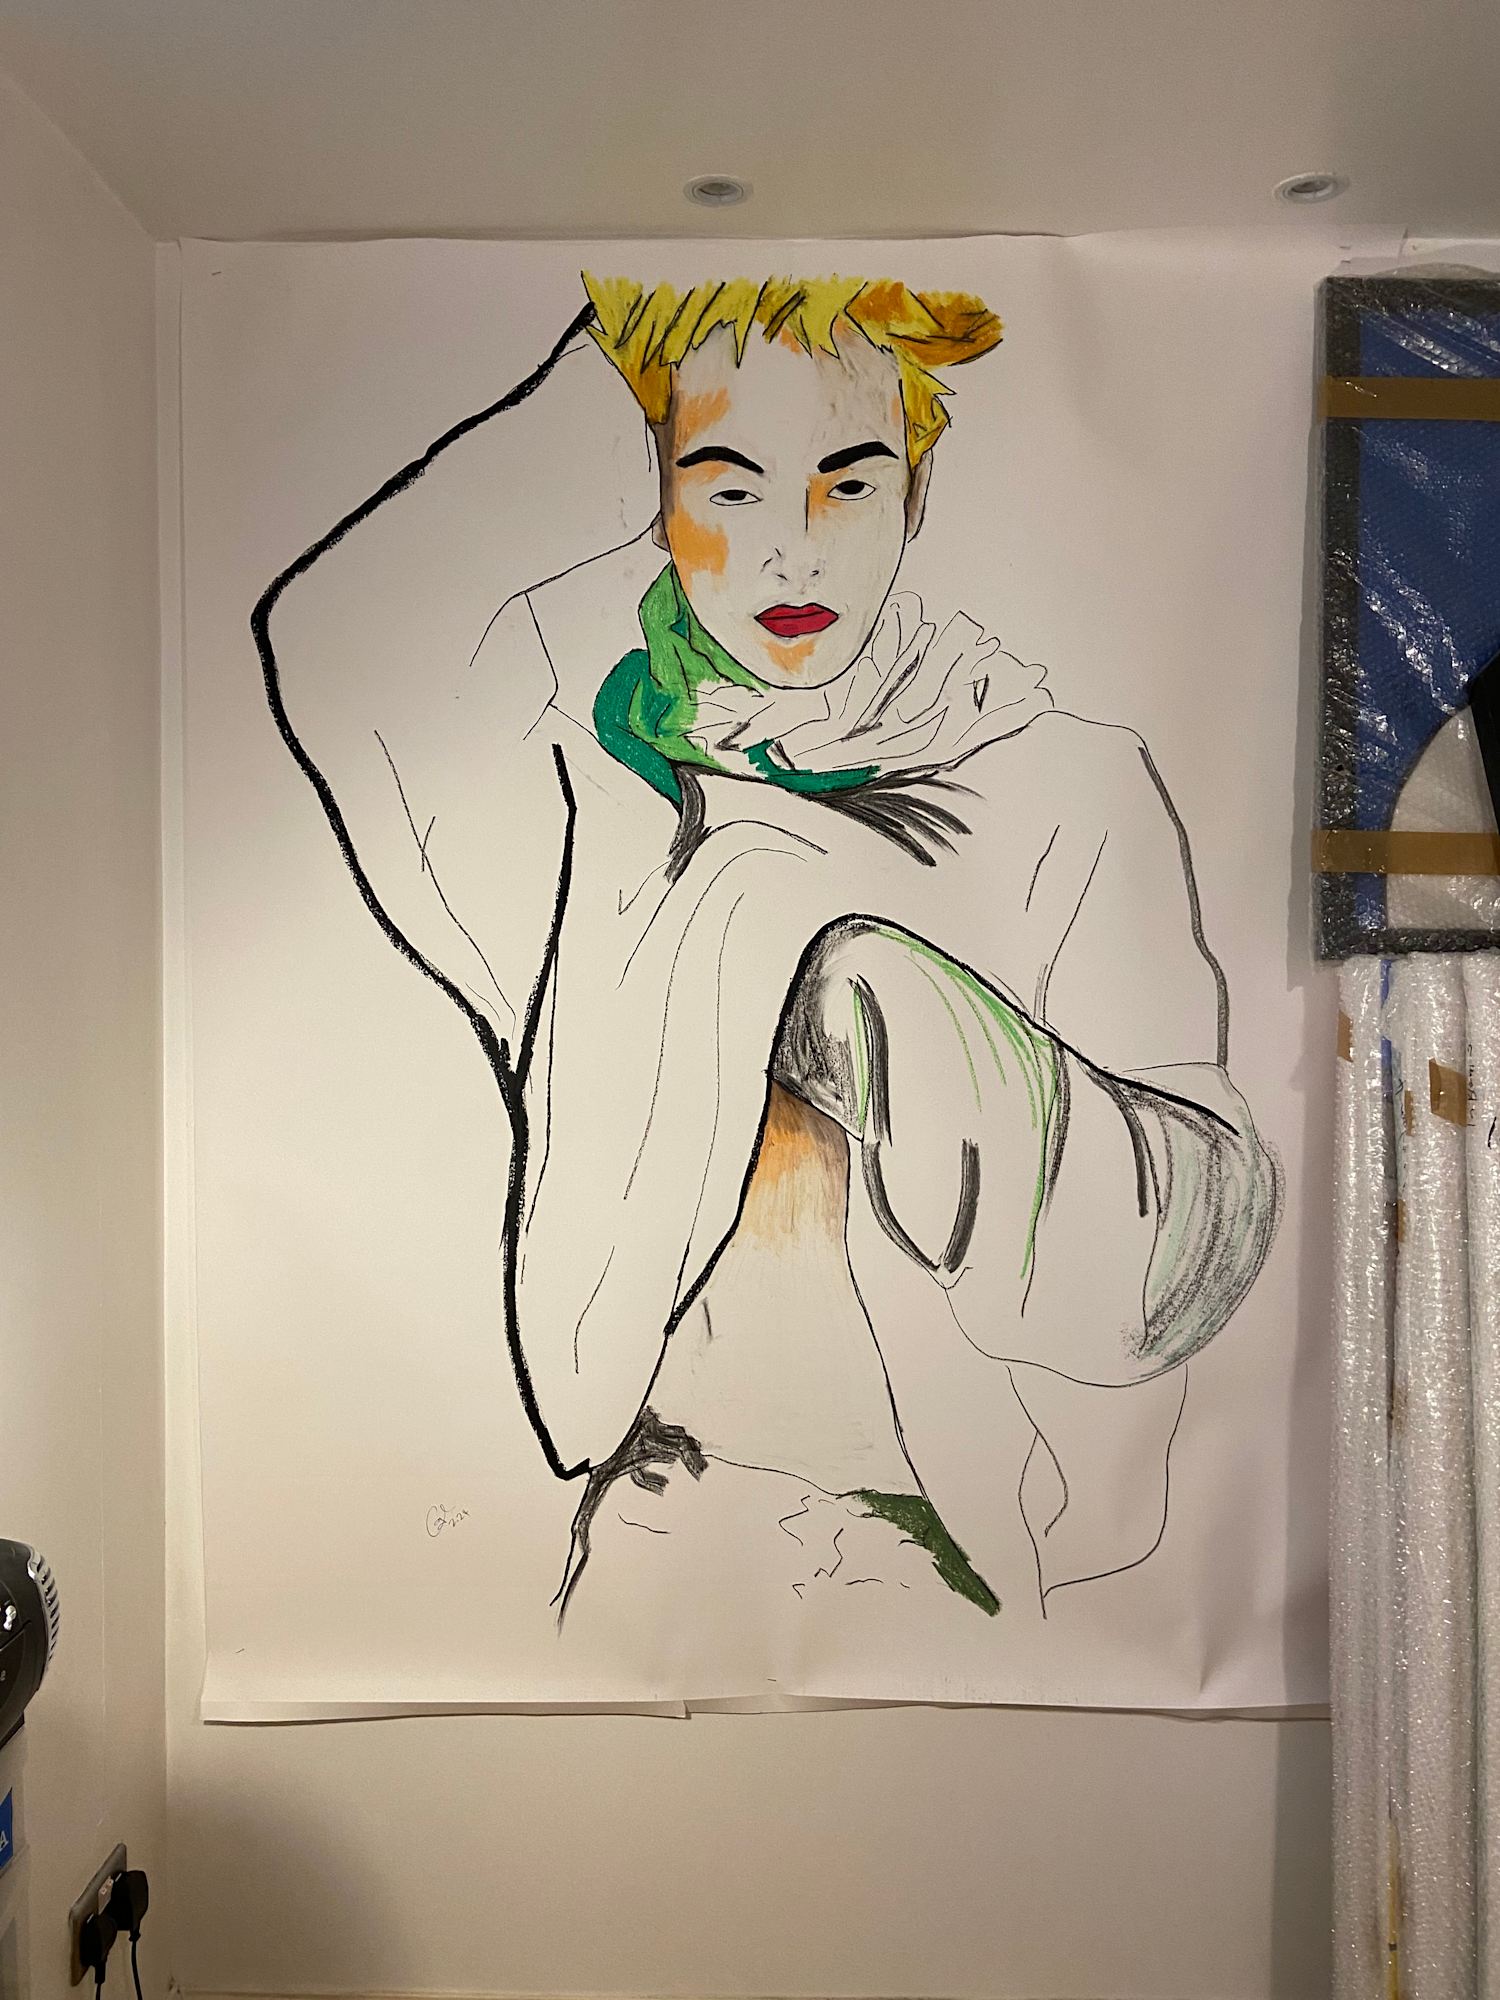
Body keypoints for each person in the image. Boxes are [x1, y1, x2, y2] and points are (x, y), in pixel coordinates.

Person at [256, 274, 1279, 1635]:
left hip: (939, 1553)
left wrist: (897, 1024)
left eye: (849, 484)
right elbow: (333, 635)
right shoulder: (604, 785)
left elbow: (1188, 1242)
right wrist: (629, 359)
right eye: (729, 487)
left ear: (918, 491)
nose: (794, 552)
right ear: (652, 495)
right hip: (649, 1521)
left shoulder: (1061, 784)